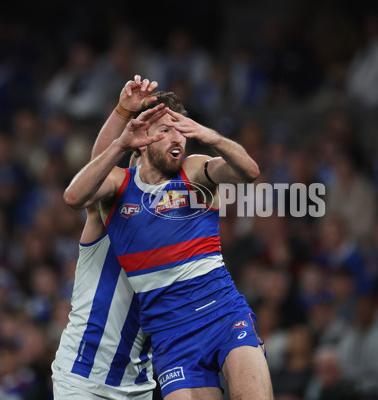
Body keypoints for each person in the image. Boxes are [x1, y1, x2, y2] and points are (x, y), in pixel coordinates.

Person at [63, 86, 273, 399]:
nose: (178, 139)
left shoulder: (193, 171)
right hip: (170, 334)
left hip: (223, 313)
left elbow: (249, 172)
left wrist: (213, 138)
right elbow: (74, 196)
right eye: (165, 131)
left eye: (181, 132)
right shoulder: (119, 186)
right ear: (143, 140)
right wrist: (122, 140)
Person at [52, 76, 162, 399]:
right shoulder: (112, 204)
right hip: (82, 379)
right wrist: (121, 115)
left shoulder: (178, 220)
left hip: (138, 384)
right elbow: (88, 180)